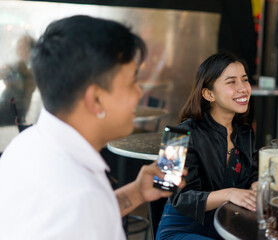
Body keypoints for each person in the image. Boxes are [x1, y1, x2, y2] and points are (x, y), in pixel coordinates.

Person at [0, 15, 185, 239]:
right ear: (95, 100)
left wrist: (137, 192)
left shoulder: (25, 144)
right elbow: (84, 211)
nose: (139, 92)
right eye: (132, 82)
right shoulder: (81, 200)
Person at [156, 52, 258, 239]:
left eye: (244, 80)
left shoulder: (245, 133)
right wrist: (230, 194)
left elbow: (253, 172)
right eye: (231, 82)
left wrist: (257, 184)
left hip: (228, 226)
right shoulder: (175, 136)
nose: (243, 88)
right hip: (182, 230)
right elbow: (172, 194)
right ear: (209, 93)